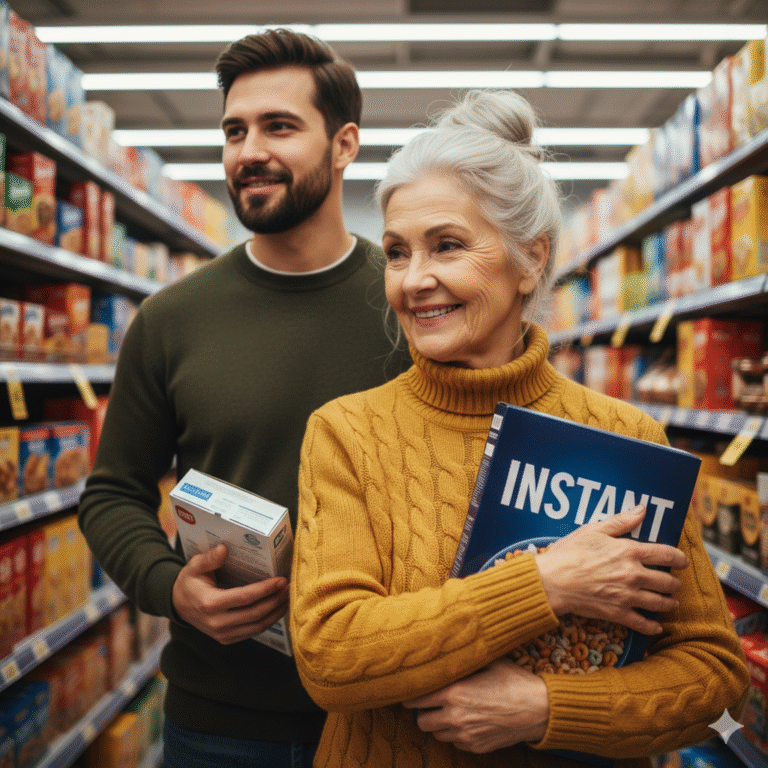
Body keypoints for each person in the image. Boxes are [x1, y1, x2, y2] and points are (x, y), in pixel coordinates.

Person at [289, 88, 749, 768]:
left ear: (530, 259)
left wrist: (543, 709)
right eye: (396, 252)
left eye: (447, 246)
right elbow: (331, 655)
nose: (415, 280)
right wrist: (548, 584)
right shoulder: (348, 433)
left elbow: (712, 677)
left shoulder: (629, 438)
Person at [78, 28, 407, 768]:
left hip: (389, 711)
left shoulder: (409, 303)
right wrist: (170, 587)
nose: (248, 150)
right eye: (234, 129)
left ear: (345, 144)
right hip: (218, 723)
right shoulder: (171, 318)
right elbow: (112, 493)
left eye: (279, 126)